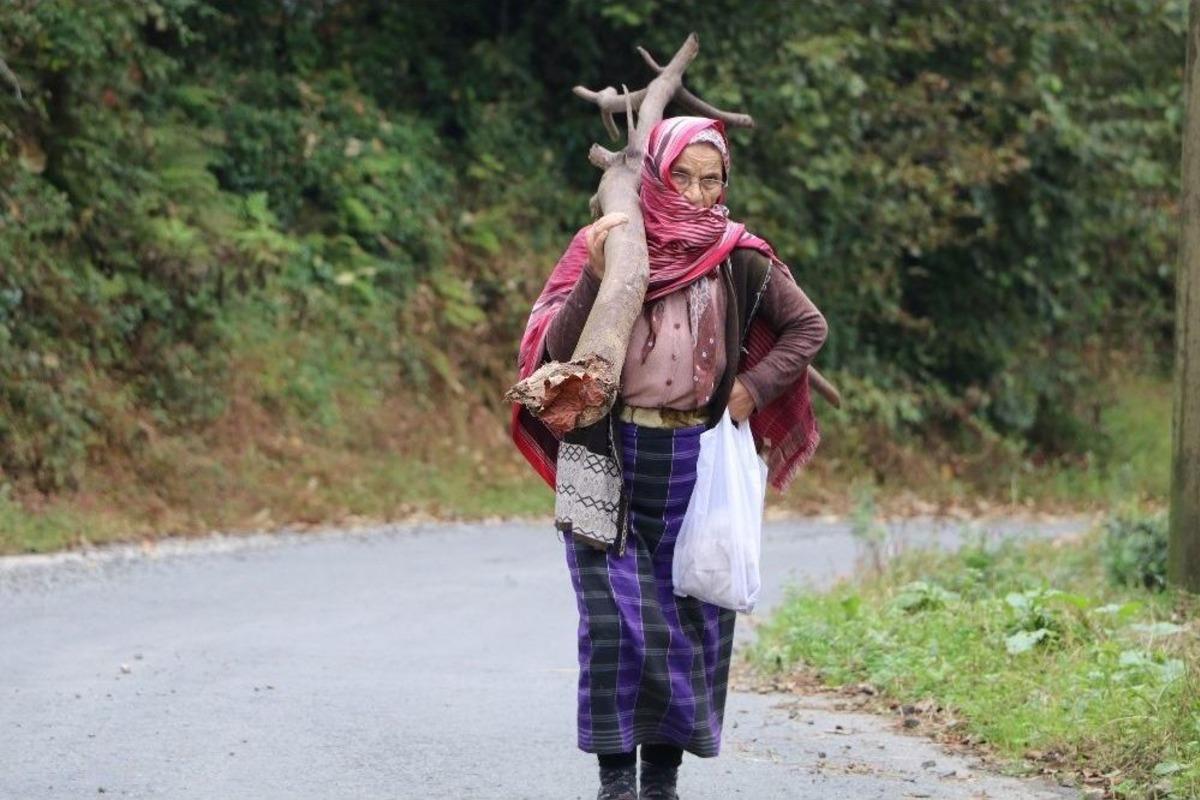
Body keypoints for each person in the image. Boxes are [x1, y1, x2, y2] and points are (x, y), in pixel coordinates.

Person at [511, 116, 828, 800]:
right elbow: (555, 352)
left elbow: (808, 326)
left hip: (696, 460)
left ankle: (660, 783)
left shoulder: (738, 255)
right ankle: (615, 783)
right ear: (654, 176)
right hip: (607, 455)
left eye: (711, 180)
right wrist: (597, 277)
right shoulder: (612, 242)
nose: (697, 192)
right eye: (681, 176)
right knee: (611, 625)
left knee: (688, 624)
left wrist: (752, 388)